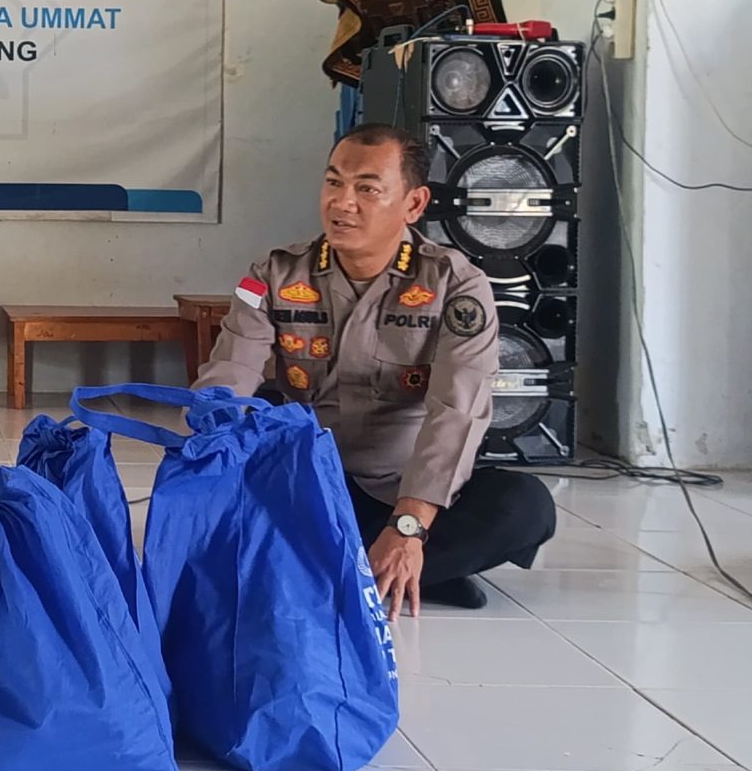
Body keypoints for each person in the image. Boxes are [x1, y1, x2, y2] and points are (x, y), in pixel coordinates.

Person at [194, 123, 557, 618]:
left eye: (367, 189)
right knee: (235, 481)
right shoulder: (274, 274)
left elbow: (457, 410)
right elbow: (229, 372)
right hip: (310, 481)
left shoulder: (454, 285)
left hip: (404, 489)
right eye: (333, 182)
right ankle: (397, 574)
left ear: (413, 204)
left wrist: (410, 525)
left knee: (524, 506)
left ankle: (369, 564)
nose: (342, 203)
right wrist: (207, 449)